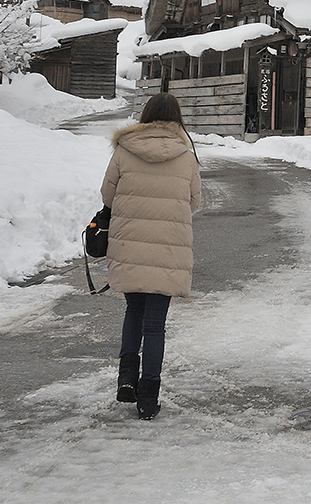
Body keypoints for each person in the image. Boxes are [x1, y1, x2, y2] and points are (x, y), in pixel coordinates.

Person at [100, 92, 201, 420]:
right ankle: (148, 396)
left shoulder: (124, 149)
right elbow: (194, 201)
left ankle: (126, 380)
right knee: (155, 325)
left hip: (129, 244)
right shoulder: (185, 155)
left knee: (133, 311)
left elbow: (108, 195)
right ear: (177, 119)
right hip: (168, 248)